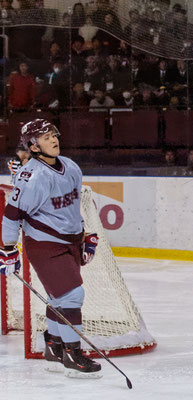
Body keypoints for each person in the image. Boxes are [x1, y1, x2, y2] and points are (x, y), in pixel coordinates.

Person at [0, 119, 101, 377]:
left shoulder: (71, 167)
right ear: (33, 147)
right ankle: (72, 353)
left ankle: (54, 346)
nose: (54, 139)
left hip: (69, 241)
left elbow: (71, 206)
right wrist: (9, 248)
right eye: (45, 137)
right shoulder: (32, 176)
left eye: (54, 134)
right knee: (72, 296)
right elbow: (12, 214)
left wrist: (82, 233)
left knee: (59, 297)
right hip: (44, 244)